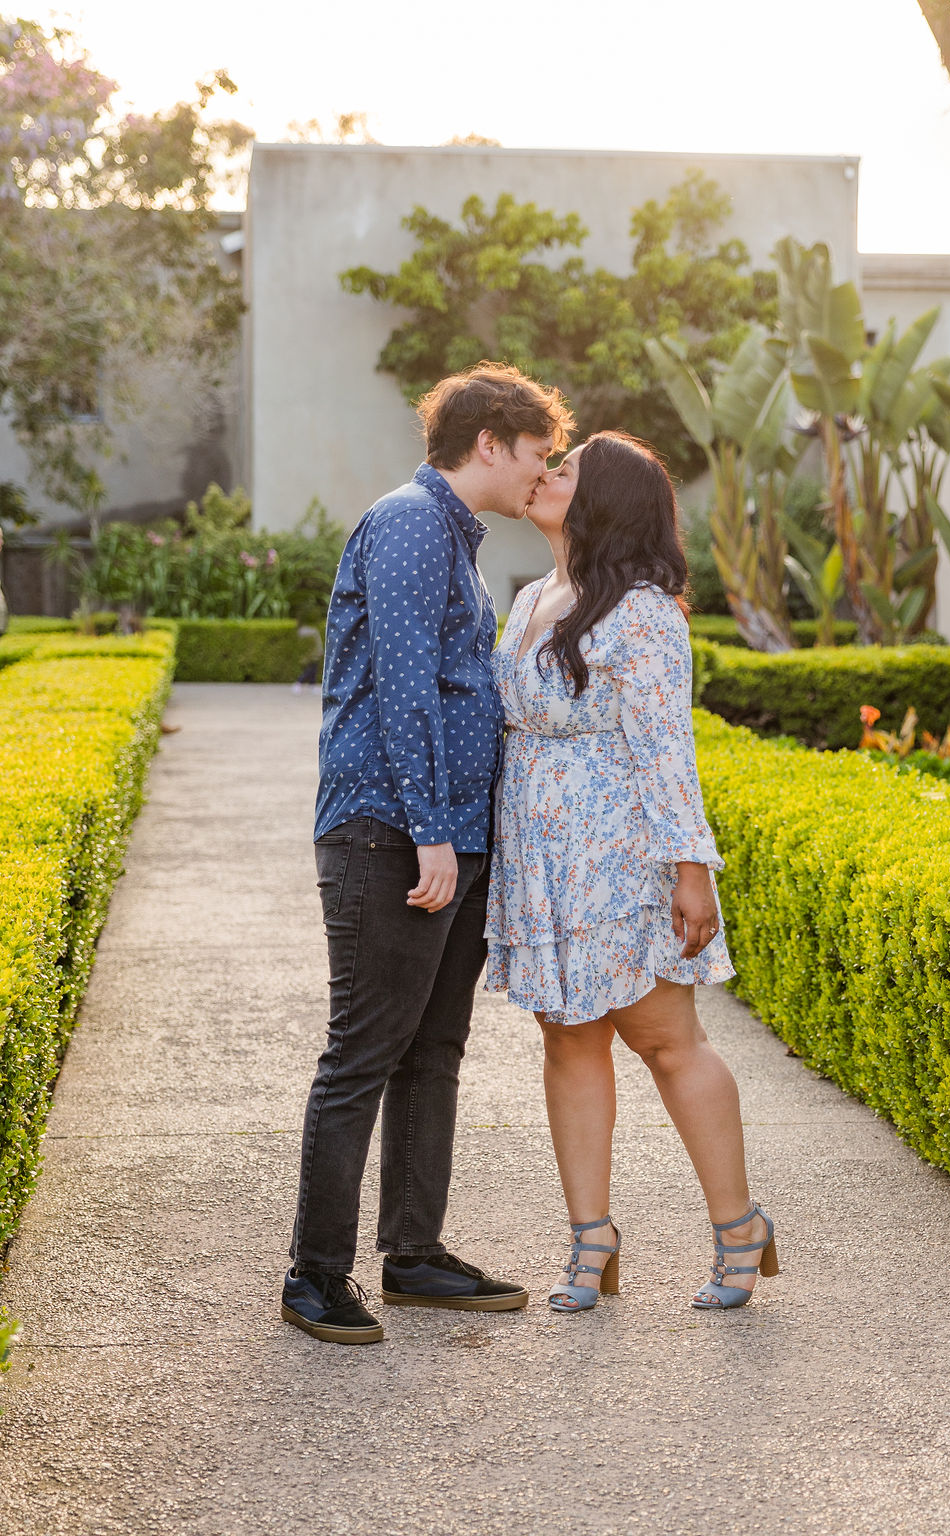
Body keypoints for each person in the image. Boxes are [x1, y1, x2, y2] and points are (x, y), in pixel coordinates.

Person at [282, 362, 575, 1345]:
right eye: (537, 453)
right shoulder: (410, 524)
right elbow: (406, 692)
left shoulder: (454, 539)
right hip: (392, 836)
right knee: (363, 1053)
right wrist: (433, 837)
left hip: (441, 836)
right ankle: (315, 1277)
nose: (544, 471)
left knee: (433, 1053)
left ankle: (413, 1253)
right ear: (488, 442)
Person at [484, 431, 779, 1313]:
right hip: (540, 861)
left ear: (603, 500)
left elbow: (667, 750)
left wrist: (693, 869)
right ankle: (591, 1241)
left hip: (620, 856)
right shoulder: (536, 592)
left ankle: (738, 1228)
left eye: (564, 468)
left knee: (664, 1042)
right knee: (567, 1040)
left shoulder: (643, 611)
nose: (545, 474)